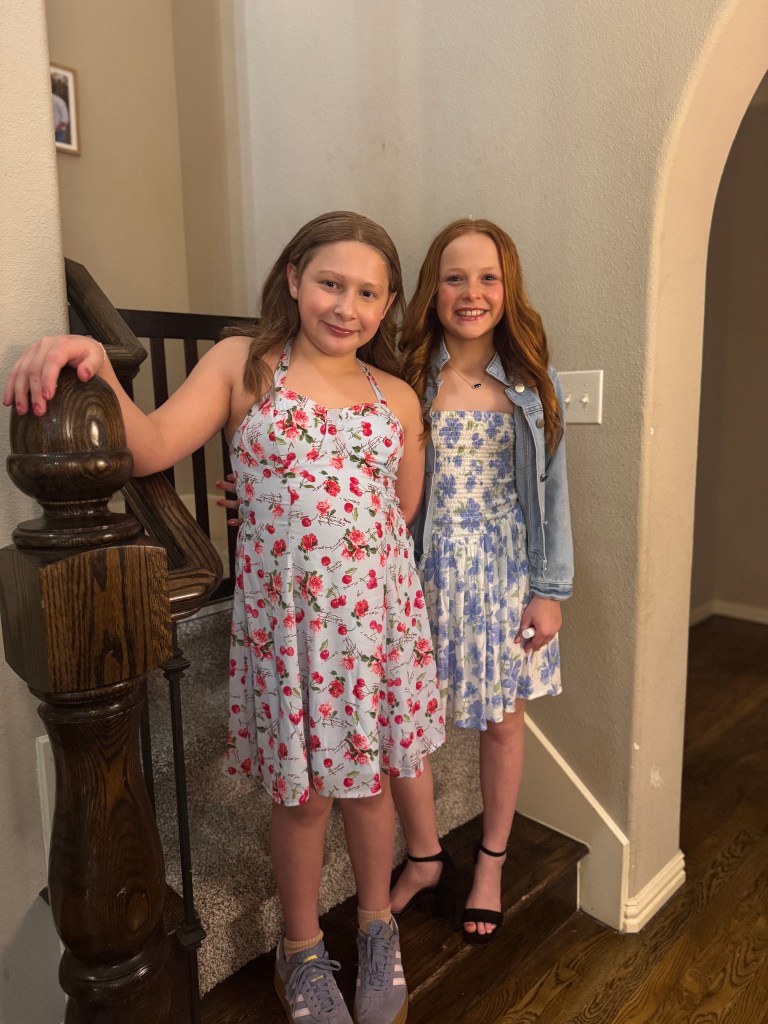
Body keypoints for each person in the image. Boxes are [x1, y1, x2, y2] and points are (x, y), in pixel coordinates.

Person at [4, 210, 446, 1024]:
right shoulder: (243, 366)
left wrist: (318, 513)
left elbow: (402, 507)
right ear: (294, 278)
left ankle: (377, 924)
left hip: (376, 630)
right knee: (303, 800)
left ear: (388, 306)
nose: (346, 306)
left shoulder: (399, 396)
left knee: (371, 786)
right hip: (291, 632)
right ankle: (301, 950)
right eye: (331, 283)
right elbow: (148, 446)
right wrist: (91, 356)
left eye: (368, 293)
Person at [388, 218, 573, 945]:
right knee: (407, 722)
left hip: (504, 576)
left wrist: (550, 591)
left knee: (503, 721)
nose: (471, 292)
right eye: (455, 277)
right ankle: (425, 855)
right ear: (432, 289)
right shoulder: (402, 380)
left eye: (487, 278)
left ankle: (490, 862)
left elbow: (553, 496)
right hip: (418, 572)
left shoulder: (531, 387)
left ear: (508, 288)